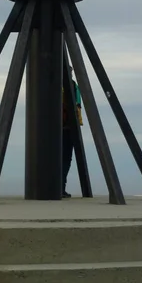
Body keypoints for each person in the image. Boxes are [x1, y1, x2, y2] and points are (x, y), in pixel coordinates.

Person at [62, 66, 83, 198]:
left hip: (69, 127)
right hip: (66, 127)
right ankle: (60, 187)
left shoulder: (73, 86)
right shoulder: (71, 86)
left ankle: (60, 186)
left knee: (65, 158)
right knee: (64, 158)